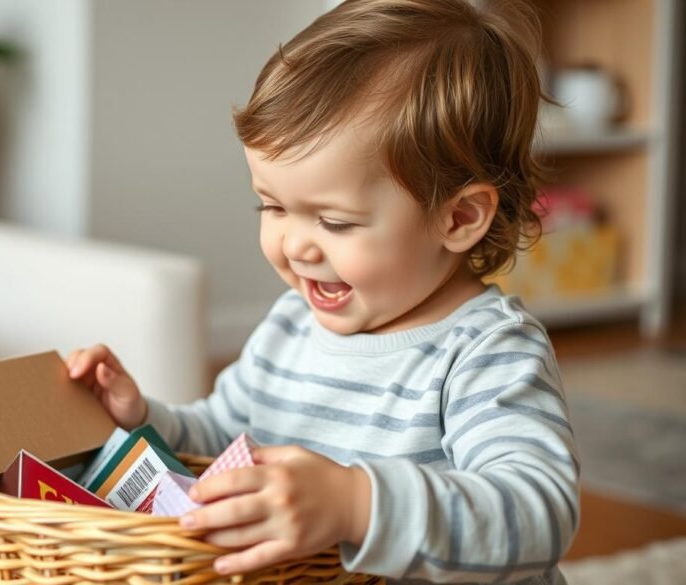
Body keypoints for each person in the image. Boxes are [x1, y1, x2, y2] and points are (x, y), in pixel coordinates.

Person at [67, 0, 579, 582]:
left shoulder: (487, 350)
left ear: (458, 218)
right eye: (273, 206)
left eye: (335, 222)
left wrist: (356, 505)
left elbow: (539, 512)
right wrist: (143, 418)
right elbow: (221, 435)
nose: (296, 247)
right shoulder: (291, 324)